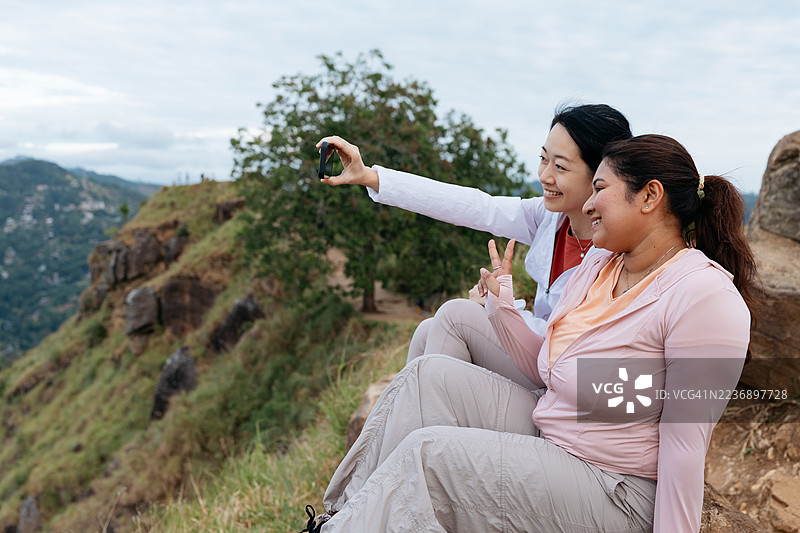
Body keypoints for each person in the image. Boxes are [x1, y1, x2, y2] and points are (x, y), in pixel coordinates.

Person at [300, 134, 758, 532]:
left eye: (599, 188)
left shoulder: (703, 297)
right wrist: (503, 309)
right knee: (427, 377)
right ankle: (341, 519)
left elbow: (682, 442)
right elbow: (548, 365)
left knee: (429, 456)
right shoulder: (602, 264)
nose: (590, 203)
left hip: (612, 485)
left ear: (650, 196)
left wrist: (592, 383)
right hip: (552, 429)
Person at [317, 105, 631, 389]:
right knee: (427, 330)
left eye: (560, 167)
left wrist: (502, 305)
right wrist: (370, 177)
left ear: (599, 176)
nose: (544, 175)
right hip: (531, 351)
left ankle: (433, 436)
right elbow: (476, 206)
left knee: (457, 316)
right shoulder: (551, 219)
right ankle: (404, 428)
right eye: (543, 158)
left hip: (558, 376)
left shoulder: (616, 252)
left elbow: (568, 343)